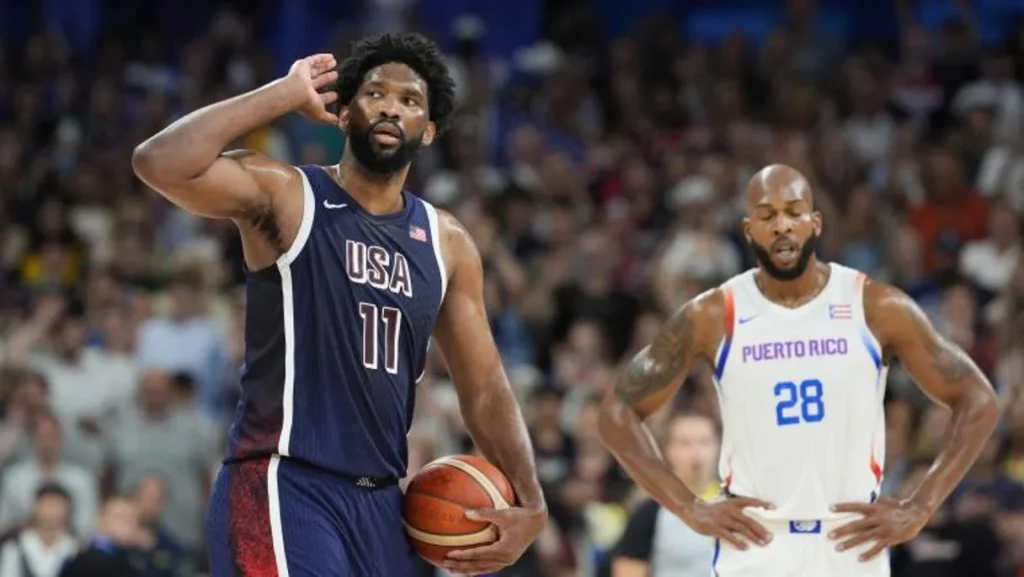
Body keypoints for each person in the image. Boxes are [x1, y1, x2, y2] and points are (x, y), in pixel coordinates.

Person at [131, 33, 546, 577]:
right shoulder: (286, 194)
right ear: (344, 111)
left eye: (410, 101)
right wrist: (281, 95)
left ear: (430, 129)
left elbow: (486, 388)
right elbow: (159, 162)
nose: (391, 107)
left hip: (380, 506)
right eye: (375, 93)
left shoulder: (446, 243)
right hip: (282, 484)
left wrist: (533, 503)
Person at [597, 164, 999, 577]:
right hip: (755, 543)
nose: (782, 226)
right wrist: (688, 507)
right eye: (767, 216)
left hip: (851, 541)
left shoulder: (875, 306)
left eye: (793, 212)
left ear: (815, 223)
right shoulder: (714, 314)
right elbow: (617, 413)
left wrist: (922, 505)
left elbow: (978, 399)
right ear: (749, 229)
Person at [610, 411, 719, 577]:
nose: (696, 452)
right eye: (685, 443)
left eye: (704, 442)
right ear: (668, 450)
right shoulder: (649, 513)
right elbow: (628, 569)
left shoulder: (737, 504)